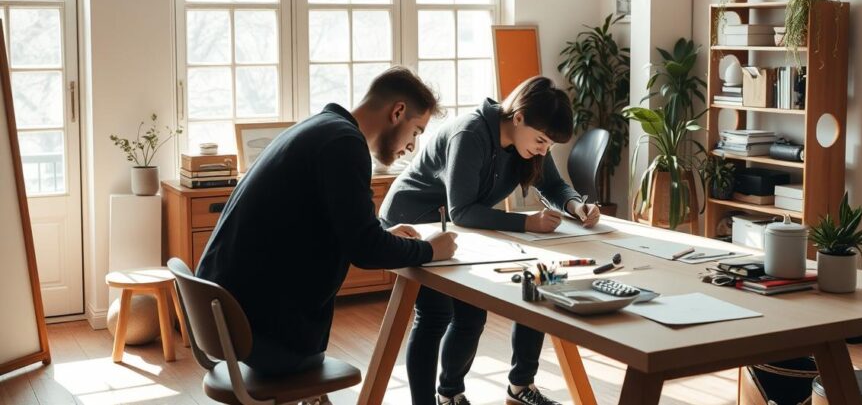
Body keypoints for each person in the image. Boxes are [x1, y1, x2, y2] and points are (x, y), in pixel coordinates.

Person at [197, 66, 459, 381]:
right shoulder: (345, 144)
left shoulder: (322, 128)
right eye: (416, 131)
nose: (411, 147)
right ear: (398, 112)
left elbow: (340, 232)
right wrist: (429, 250)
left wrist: (381, 235)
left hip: (223, 317)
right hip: (261, 334)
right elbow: (366, 251)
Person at [380, 76, 602, 405]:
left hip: (462, 229)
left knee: (497, 305)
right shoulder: (471, 133)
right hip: (412, 220)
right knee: (436, 316)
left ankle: (482, 391)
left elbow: (553, 186)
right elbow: (463, 211)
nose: (544, 149)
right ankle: (436, 400)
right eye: (541, 141)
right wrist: (527, 222)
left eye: (549, 145)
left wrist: (575, 204)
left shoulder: (531, 142)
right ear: (519, 117)